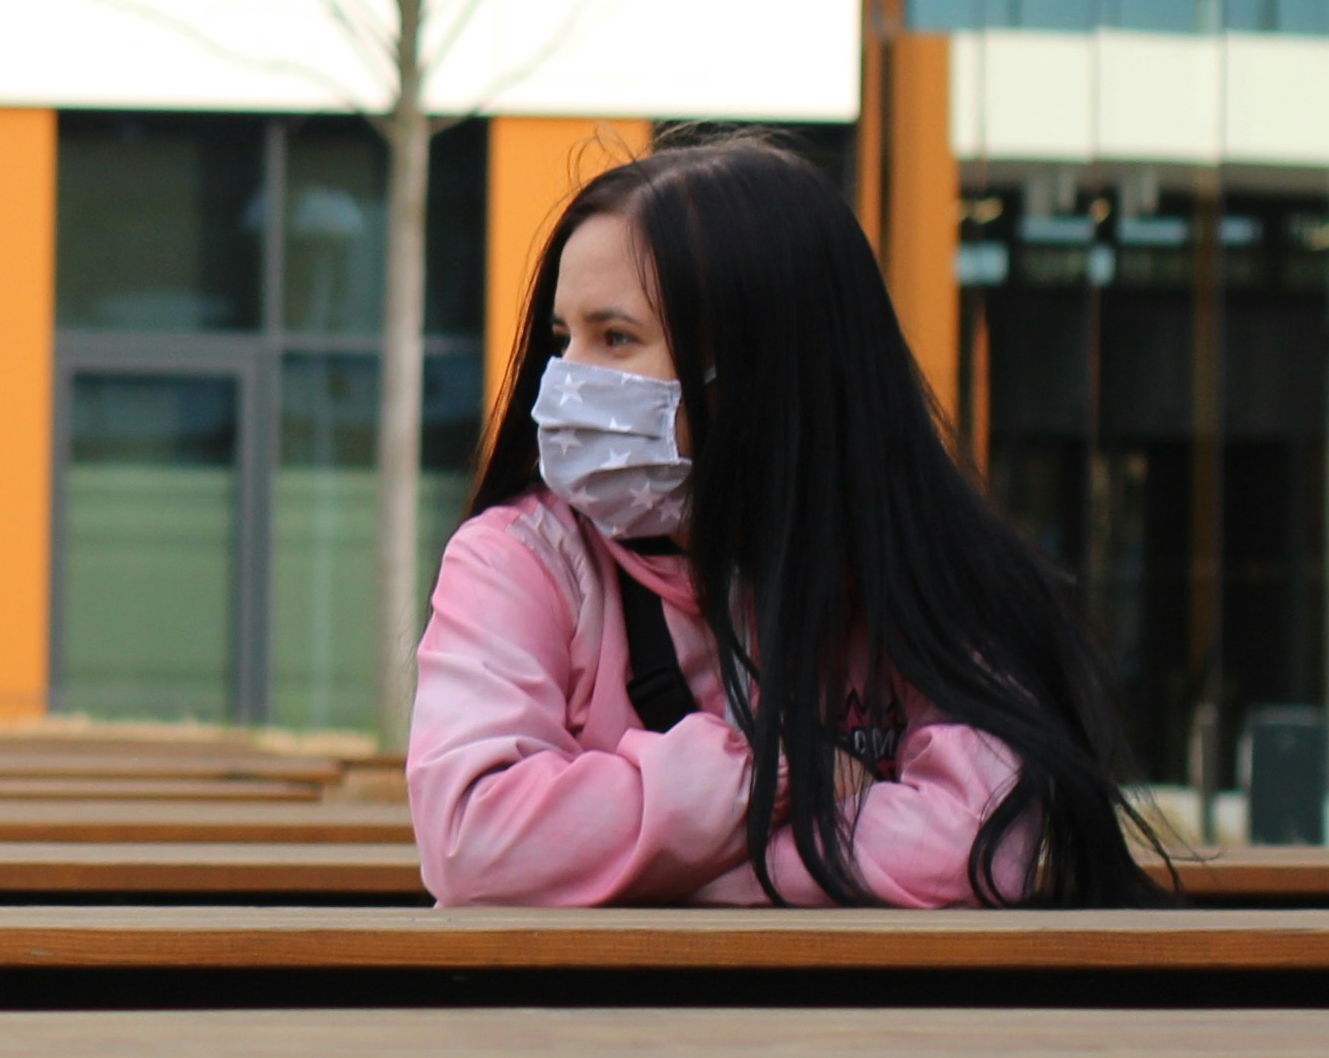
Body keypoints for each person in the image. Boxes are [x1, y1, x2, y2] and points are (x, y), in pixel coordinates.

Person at [408, 133, 1152, 907]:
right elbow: (475, 842)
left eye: (617, 338)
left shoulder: (934, 574)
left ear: (767, 367)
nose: (564, 386)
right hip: (589, 1027)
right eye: (564, 341)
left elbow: (978, 846)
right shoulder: (516, 559)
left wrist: (650, 873)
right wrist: (789, 772)